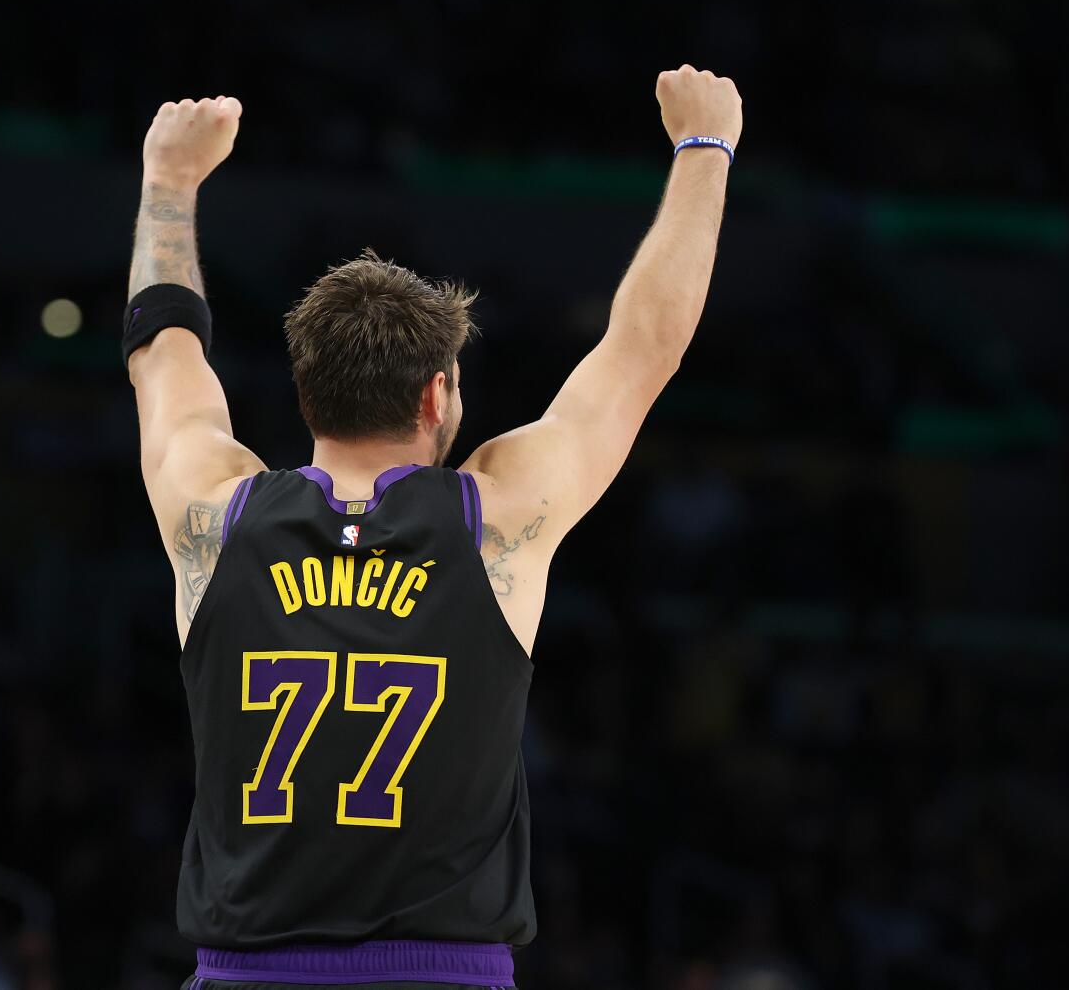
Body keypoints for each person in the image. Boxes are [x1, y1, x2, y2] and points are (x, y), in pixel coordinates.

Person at [123, 66, 743, 989]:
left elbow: (161, 348)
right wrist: (706, 145)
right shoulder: (495, 518)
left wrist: (168, 181)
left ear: (306, 393)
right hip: (443, 973)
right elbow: (645, 345)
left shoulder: (216, 510)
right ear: (436, 394)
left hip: (248, 973)